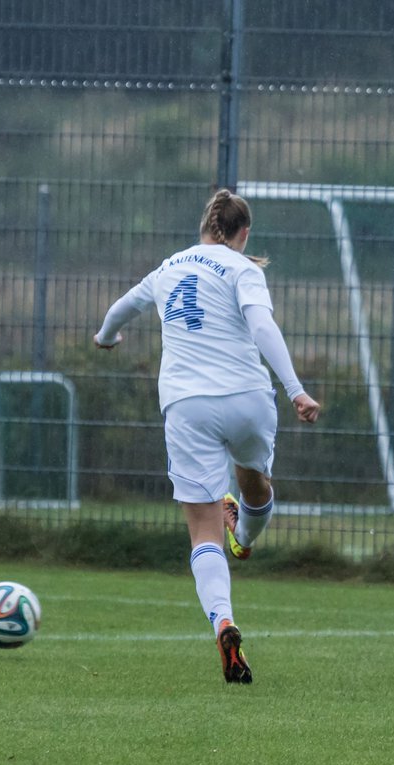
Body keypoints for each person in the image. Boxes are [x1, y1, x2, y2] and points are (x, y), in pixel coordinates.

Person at [93, 189, 321, 684]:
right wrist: (297, 391)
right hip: (247, 398)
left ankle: (224, 620)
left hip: (187, 405)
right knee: (256, 485)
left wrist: (106, 338)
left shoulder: (168, 267)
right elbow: (262, 327)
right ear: (244, 234)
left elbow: (118, 311)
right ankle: (245, 538)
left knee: (201, 531)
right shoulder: (243, 270)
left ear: (204, 226)